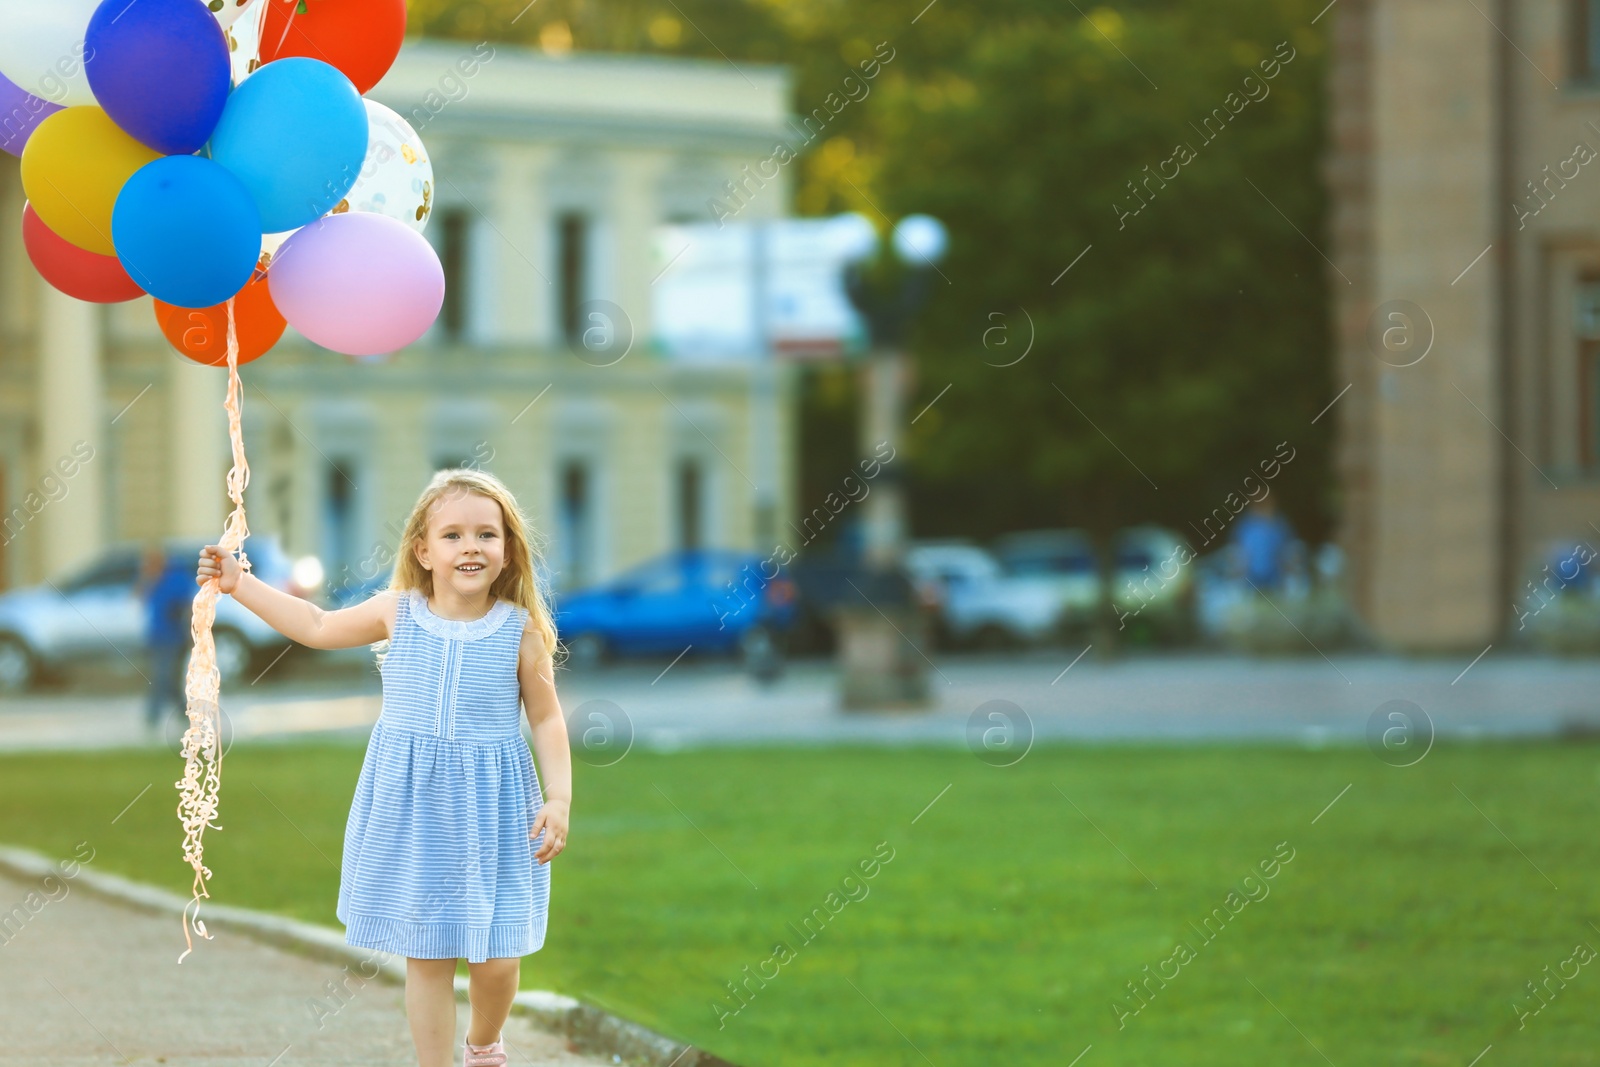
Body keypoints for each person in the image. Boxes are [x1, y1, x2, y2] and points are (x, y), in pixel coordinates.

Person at [197, 469, 572, 1067]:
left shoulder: (518, 633)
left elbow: (548, 721)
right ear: (423, 551)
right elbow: (316, 626)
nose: (470, 547)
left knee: (498, 960)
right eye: (451, 536)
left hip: (495, 815)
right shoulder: (397, 612)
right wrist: (241, 585)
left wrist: (558, 800)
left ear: (507, 551)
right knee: (427, 956)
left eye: (485, 535)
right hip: (415, 813)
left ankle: (482, 1043)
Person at [139, 544, 195, 732]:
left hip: (174, 637)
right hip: (157, 636)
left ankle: (151, 718)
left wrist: (190, 636)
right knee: (168, 680)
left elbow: (187, 608)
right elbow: (140, 596)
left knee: (161, 677)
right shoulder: (153, 579)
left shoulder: (176, 580)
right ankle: (184, 713)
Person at [1231, 496, 1295, 592]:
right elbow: (1238, 551)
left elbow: (1288, 550)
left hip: (1275, 576)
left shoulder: (1279, 524)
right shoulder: (1245, 525)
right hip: (1250, 578)